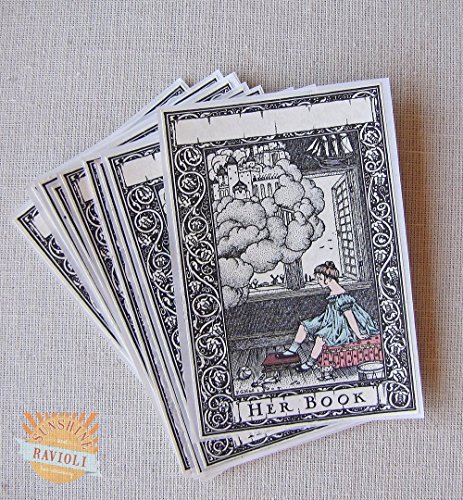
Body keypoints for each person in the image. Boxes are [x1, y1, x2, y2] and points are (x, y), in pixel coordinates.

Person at [276, 261, 379, 372]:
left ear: (328, 279)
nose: (318, 282)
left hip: (340, 325)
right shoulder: (333, 291)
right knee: (304, 325)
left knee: (321, 338)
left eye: (320, 279)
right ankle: (292, 351)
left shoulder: (341, 295)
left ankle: (309, 363)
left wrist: (358, 334)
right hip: (329, 318)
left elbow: (350, 317)